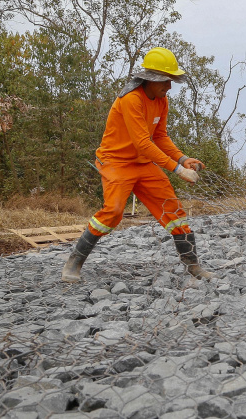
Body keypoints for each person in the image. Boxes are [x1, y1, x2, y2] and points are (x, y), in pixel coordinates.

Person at [62, 47, 212, 283]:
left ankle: (192, 265)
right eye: (165, 81)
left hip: (143, 164)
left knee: (173, 211)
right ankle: (74, 262)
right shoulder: (131, 99)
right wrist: (177, 169)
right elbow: (143, 143)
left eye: (171, 81)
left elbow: (160, 137)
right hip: (116, 162)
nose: (169, 87)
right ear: (150, 79)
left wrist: (183, 159)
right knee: (113, 212)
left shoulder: (161, 102)